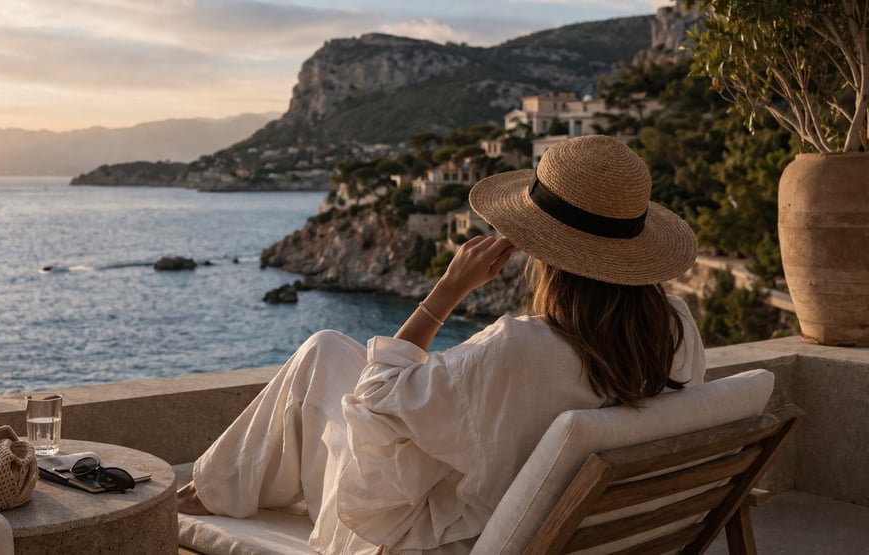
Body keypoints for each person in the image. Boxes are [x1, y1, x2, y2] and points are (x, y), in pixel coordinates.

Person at [177, 134, 705, 554]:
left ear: (542, 250)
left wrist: (447, 291)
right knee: (328, 350)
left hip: (446, 537)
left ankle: (202, 495)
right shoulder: (674, 326)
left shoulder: (521, 349)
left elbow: (377, 396)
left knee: (323, 358)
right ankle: (214, 487)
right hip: (577, 524)